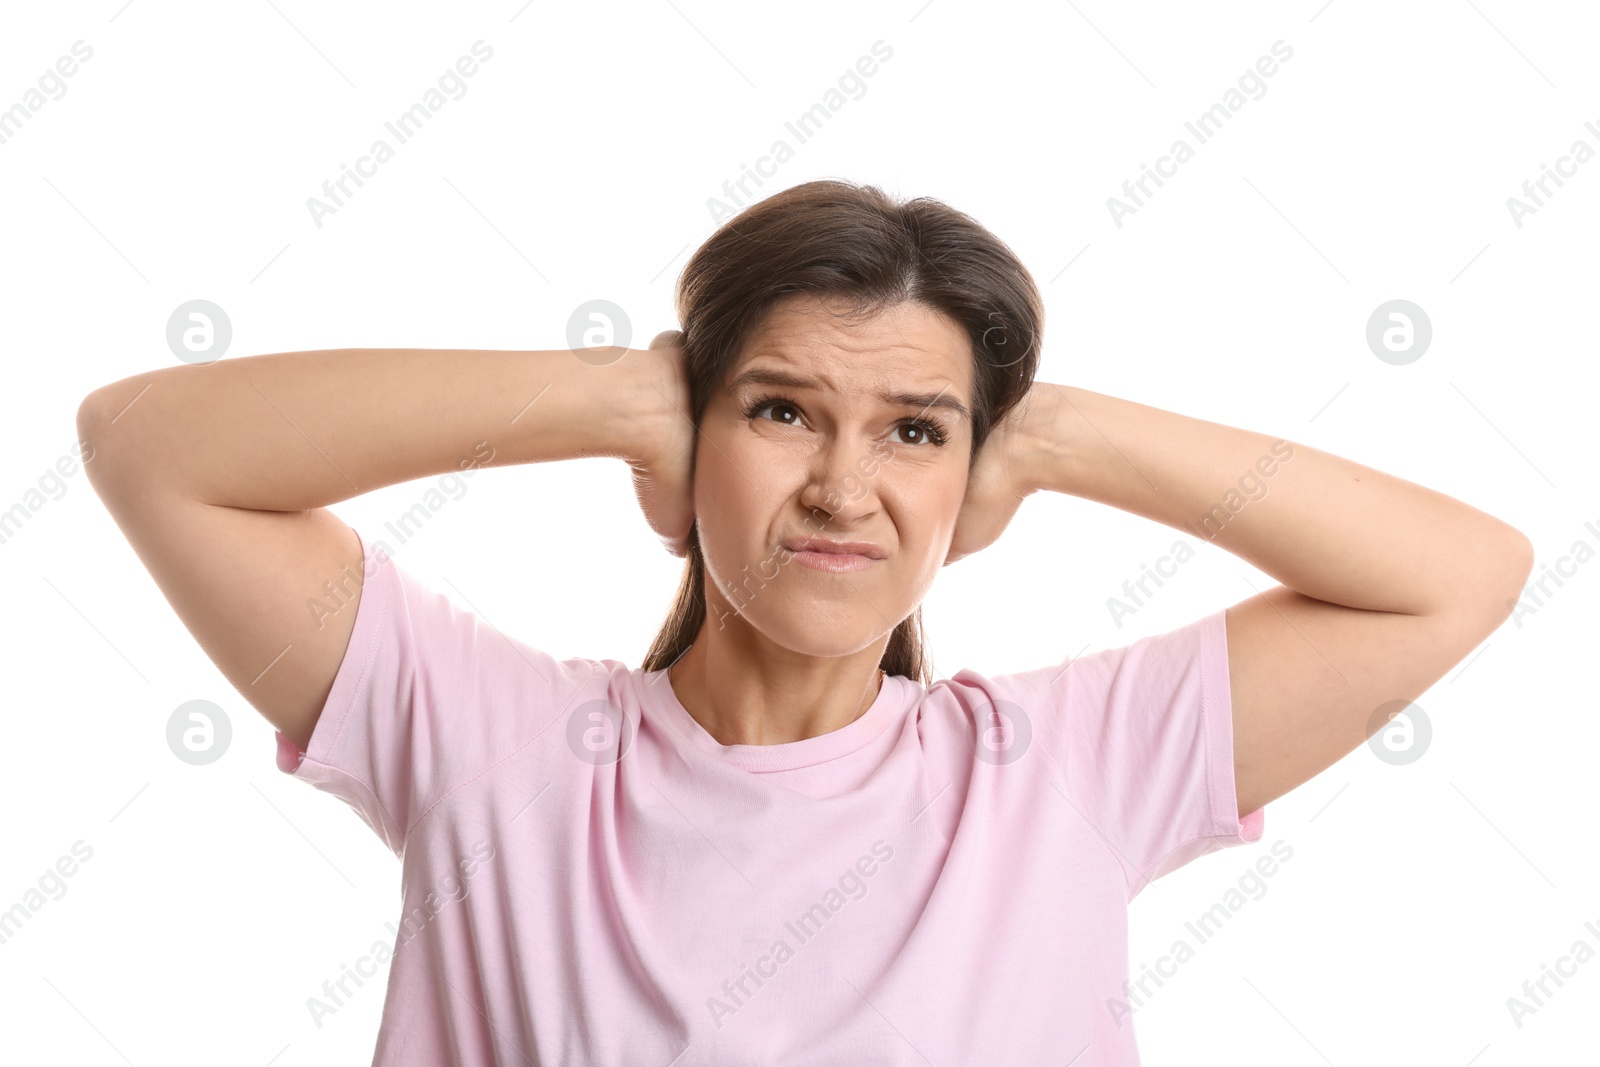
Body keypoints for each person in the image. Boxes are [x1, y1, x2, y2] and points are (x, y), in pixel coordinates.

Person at [77, 179, 1532, 1065]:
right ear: (691, 438)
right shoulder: (488, 742)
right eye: (782, 411)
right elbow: (152, 448)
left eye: (913, 432)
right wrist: (605, 397)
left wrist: (1058, 437)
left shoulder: (1069, 769)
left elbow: (1457, 571)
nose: (844, 487)